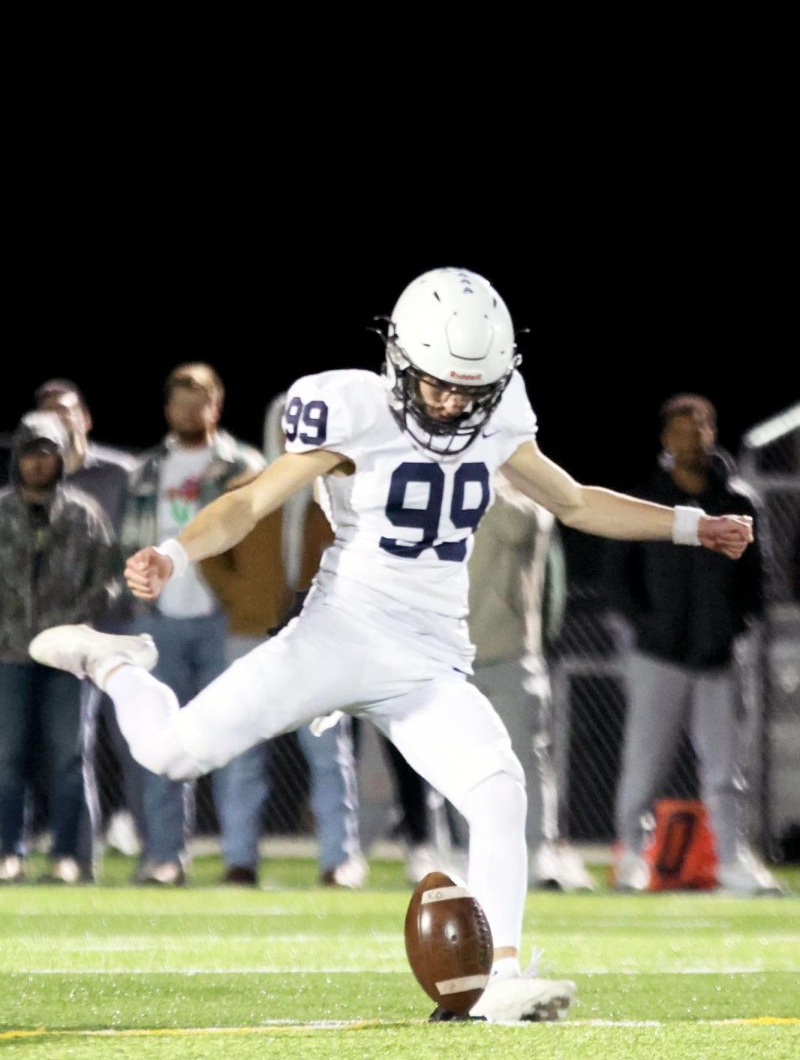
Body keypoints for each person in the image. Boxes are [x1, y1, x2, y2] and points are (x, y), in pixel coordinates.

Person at [29, 268, 754, 1021]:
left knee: (500, 788)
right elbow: (249, 501)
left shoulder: (497, 410)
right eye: (436, 383)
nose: (450, 402)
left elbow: (571, 500)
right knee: (171, 753)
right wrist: (174, 554)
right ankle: (111, 662)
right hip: (337, 634)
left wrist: (690, 525)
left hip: (429, 658)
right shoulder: (351, 408)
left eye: (468, 390)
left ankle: (499, 980)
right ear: (399, 359)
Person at [606, 394, 780, 895]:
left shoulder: (739, 501)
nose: (691, 437)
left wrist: (732, 631)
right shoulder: (646, 498)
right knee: (644, 766)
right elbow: (619, 581)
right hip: (656, 658)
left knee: (726, 770)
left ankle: (730, 862)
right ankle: (633, 859)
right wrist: (649, 629)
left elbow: (755, 581)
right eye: (681, 429)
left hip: (718, 660)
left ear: (712, 431)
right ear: (665, 439)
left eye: (700, 426)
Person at [196, 393, 365, 888]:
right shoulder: (247, 489)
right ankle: (238, 860)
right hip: (251, 637)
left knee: (328, 757)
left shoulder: (338, 494)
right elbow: (212, 552)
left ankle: (340, 860)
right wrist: (241, 598)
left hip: (317, 643)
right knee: (243, 755)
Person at [120, 363, 264, 885]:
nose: (189, 408)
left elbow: (260, 546)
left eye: (199, 397)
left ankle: (238, 859)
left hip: (224, 622)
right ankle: (165, 857)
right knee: (163, 743)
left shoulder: (244, 464)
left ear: (217, 405)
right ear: (166, 409)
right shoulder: (145, 470)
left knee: (232, 741)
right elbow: (126, 546)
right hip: (161, 622)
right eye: (179, 398)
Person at [0, 412, 119, 883]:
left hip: (68, 658)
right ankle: (10, 851)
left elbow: (108, 580)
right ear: (17, 459)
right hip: (8, 653)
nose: (37, 463)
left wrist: (75, 623)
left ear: (60, 459)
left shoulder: (83, 514)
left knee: (69, 759)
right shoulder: (1, 513)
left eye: (46, 453)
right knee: (7, 759)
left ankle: (66, 857)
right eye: (30, 453)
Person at [33, 378, 143, 865]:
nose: (59, 418)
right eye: (49, 412)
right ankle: (78, 857)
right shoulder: (33, 479)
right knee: (70, 749)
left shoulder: (123, 473)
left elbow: (148, 540)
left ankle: (157, 853)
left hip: (119, 626)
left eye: (67, 410)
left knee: (139, 741)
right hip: (64, 633)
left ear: (86, 418)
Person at [467, 473, 595, 890]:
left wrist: (480, 474)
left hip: (511, 652)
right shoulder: (441, 481)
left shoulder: (525, 484)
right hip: (450, 653)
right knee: (457, 764)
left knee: (524, 760)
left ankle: (539, 852)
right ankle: (465, 852)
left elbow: (518, 526)